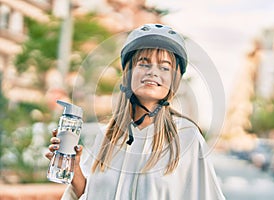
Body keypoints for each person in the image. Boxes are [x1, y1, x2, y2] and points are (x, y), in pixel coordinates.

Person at [45, 24, 226, 200]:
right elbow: (90, 193)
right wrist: (76, 170)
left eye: (164, 67)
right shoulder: (107, 136)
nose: (153, 72)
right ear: (129, 73)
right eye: (144, 64)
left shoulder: (186, 137)